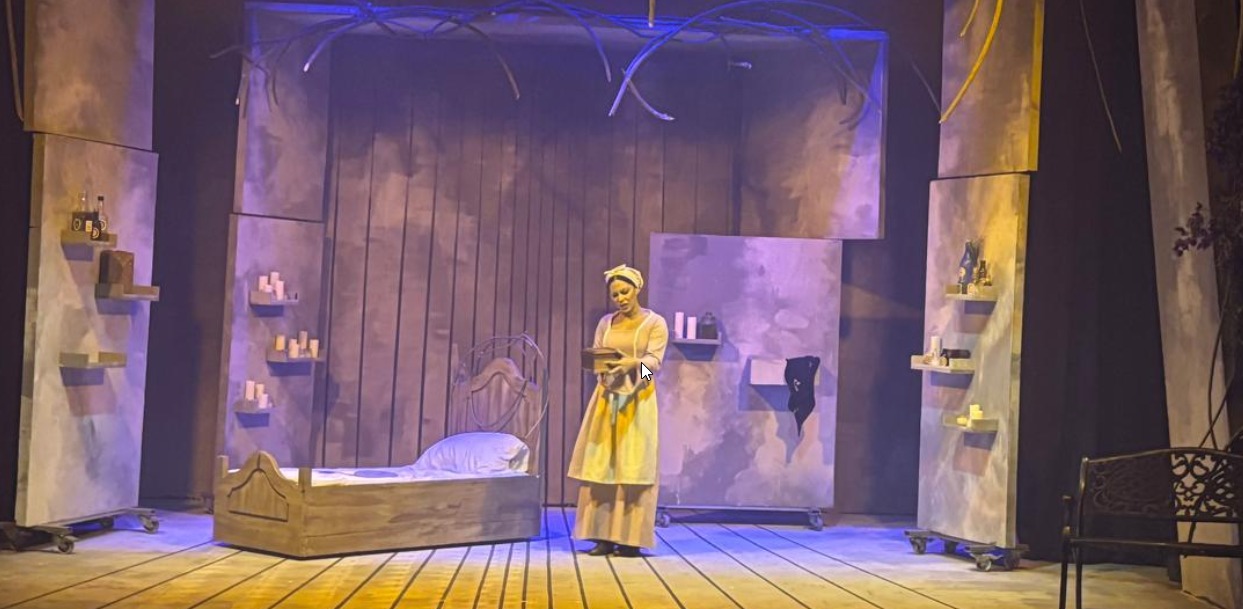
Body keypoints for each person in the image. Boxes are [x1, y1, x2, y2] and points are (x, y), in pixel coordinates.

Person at [567, 263, 668, 557]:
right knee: (602, 464)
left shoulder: (654, 323)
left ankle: (630, 539)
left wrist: (634, 367)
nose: (621, 298)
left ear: (637, 289)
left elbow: (654, 365)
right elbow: (598, 355)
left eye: (625, 292)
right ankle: (602, 536)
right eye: (615, 295)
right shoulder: (606, 323)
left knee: (633, 466)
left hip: (639, 401)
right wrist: (602, 371)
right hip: (607, 398)